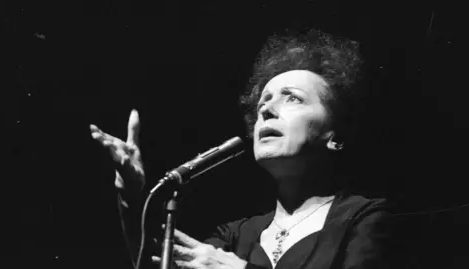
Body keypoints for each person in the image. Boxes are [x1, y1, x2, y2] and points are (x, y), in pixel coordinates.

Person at [90, 29, 401, 269]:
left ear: (336, 135)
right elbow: (159, 260)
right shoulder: (237, 234)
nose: (265, 110)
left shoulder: (367, 218)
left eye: (292, 98)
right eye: (263, 101)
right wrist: (131, 196)